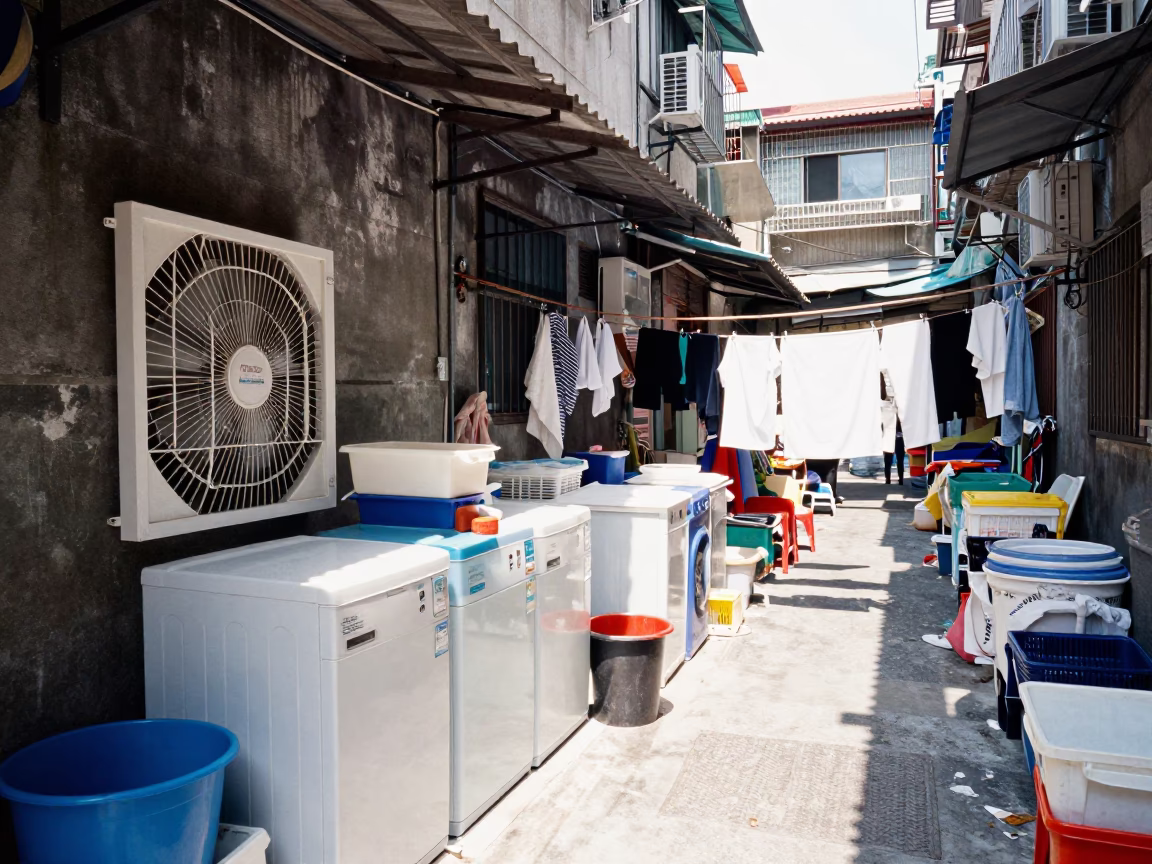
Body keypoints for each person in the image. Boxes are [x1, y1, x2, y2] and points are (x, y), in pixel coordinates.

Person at [883, 420, 905, 485]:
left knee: (888, 461)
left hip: (889, 438)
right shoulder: (901, 414)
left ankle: (888, 479)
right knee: (900, 460)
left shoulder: (887, 413)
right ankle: (900, 479)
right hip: (899, 438)